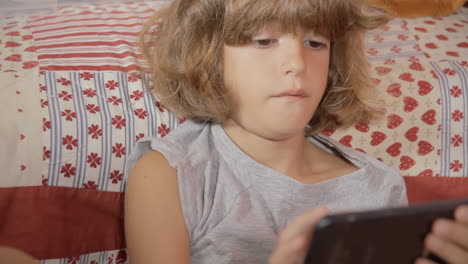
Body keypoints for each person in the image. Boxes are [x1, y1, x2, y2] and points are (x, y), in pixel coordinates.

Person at [124, 0, 468, 263]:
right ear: (207, 55)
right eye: (263, 41)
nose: (297, 64)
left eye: (316, 43)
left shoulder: (380, 186)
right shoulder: (169, 172)